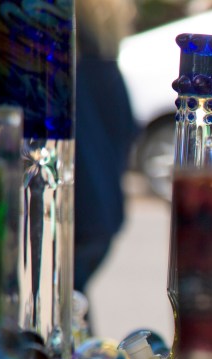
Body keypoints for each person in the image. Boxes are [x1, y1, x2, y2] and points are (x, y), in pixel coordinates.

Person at [73, 0, 137, 293]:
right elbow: (126, 130)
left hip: (75, 216)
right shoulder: (101, 54)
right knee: (71, 311)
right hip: (99, 215)